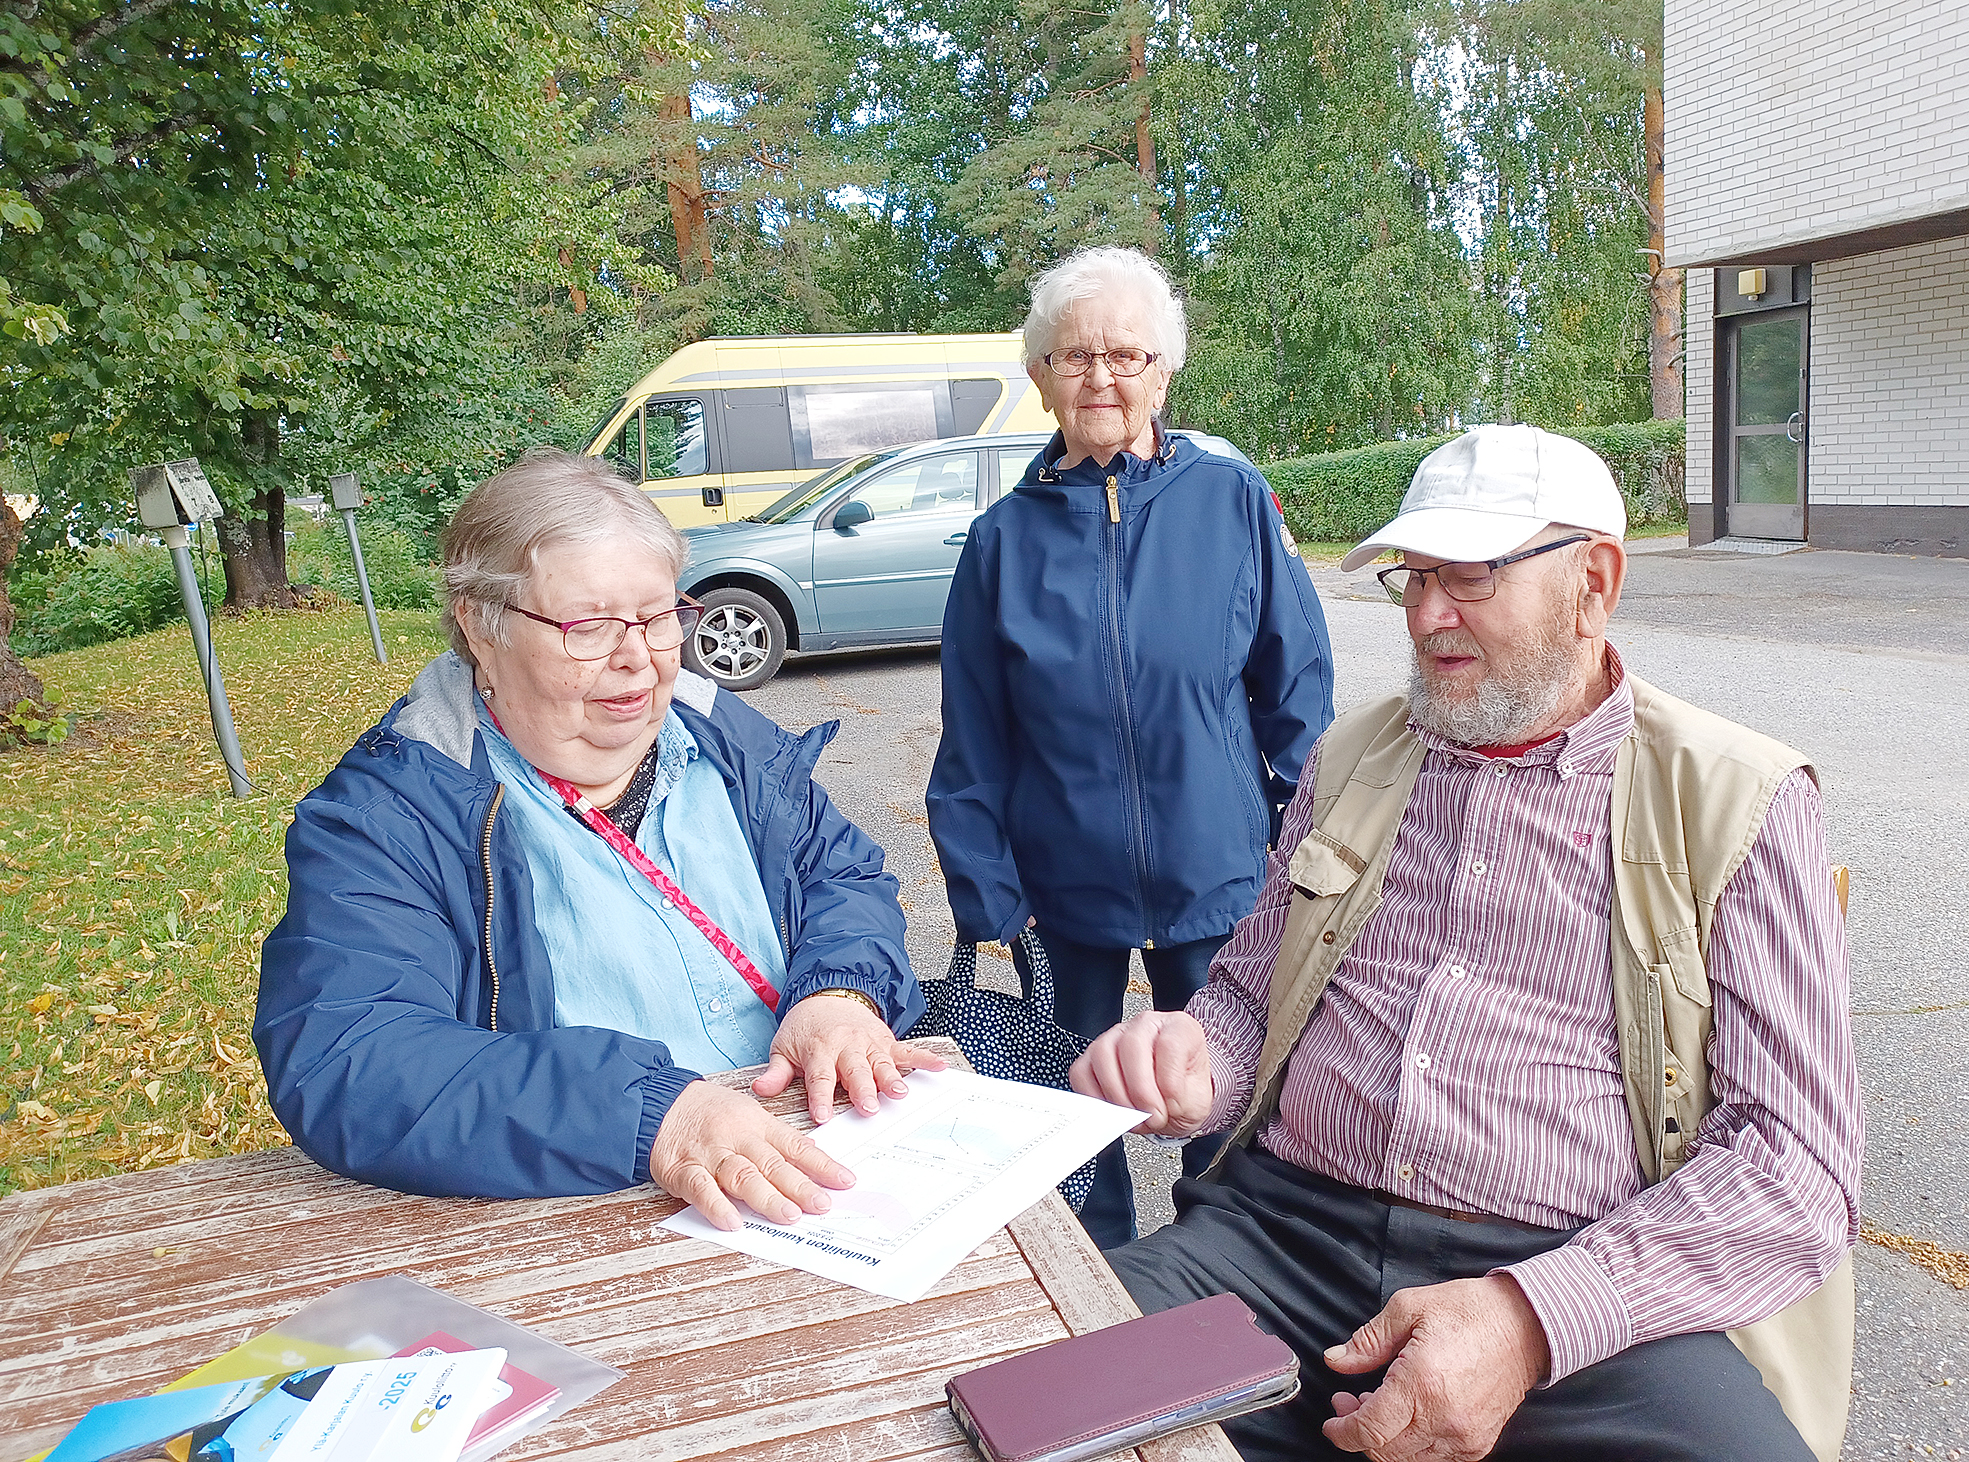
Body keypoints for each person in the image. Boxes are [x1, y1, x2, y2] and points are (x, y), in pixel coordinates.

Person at [1070, 424, 1861, 1462]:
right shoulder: (1353, 756)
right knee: (1026, 1397)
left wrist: (1530, 1318)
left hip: (1576, 1283)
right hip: (1277, 1244)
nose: (1427, 613)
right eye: (1415, 575)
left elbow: (1793, 1165)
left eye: (1472, 575)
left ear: (1594, 582)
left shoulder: (1734, 800)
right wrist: (1189, 1059)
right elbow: (1249, 1001)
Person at [256, 448, 942, 1225]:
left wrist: (840, 992)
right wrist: (651, 1116)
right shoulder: (394, 813)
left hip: (825, 1161)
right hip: (596, 1206)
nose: (638, 659)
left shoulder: (722, 736)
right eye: (588, 626)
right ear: (481, 629)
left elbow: (841, 875)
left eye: (657, 618)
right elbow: (351, 1058)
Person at [927, 245, 1336, 1248]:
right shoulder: (1000, 542)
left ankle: (1222, 1241)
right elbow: (972, 732)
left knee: (1217, 1078)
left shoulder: (1231, 503)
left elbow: (1297, 686)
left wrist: (1304, 846)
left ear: (1163, 371)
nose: (1101, 377)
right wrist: (986, 891)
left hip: (1218, 868)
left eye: (1125, 355)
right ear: (1039, 378)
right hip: (1062, 882)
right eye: (1075, 357)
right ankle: (1095, 1250)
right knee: (1074, 1084)